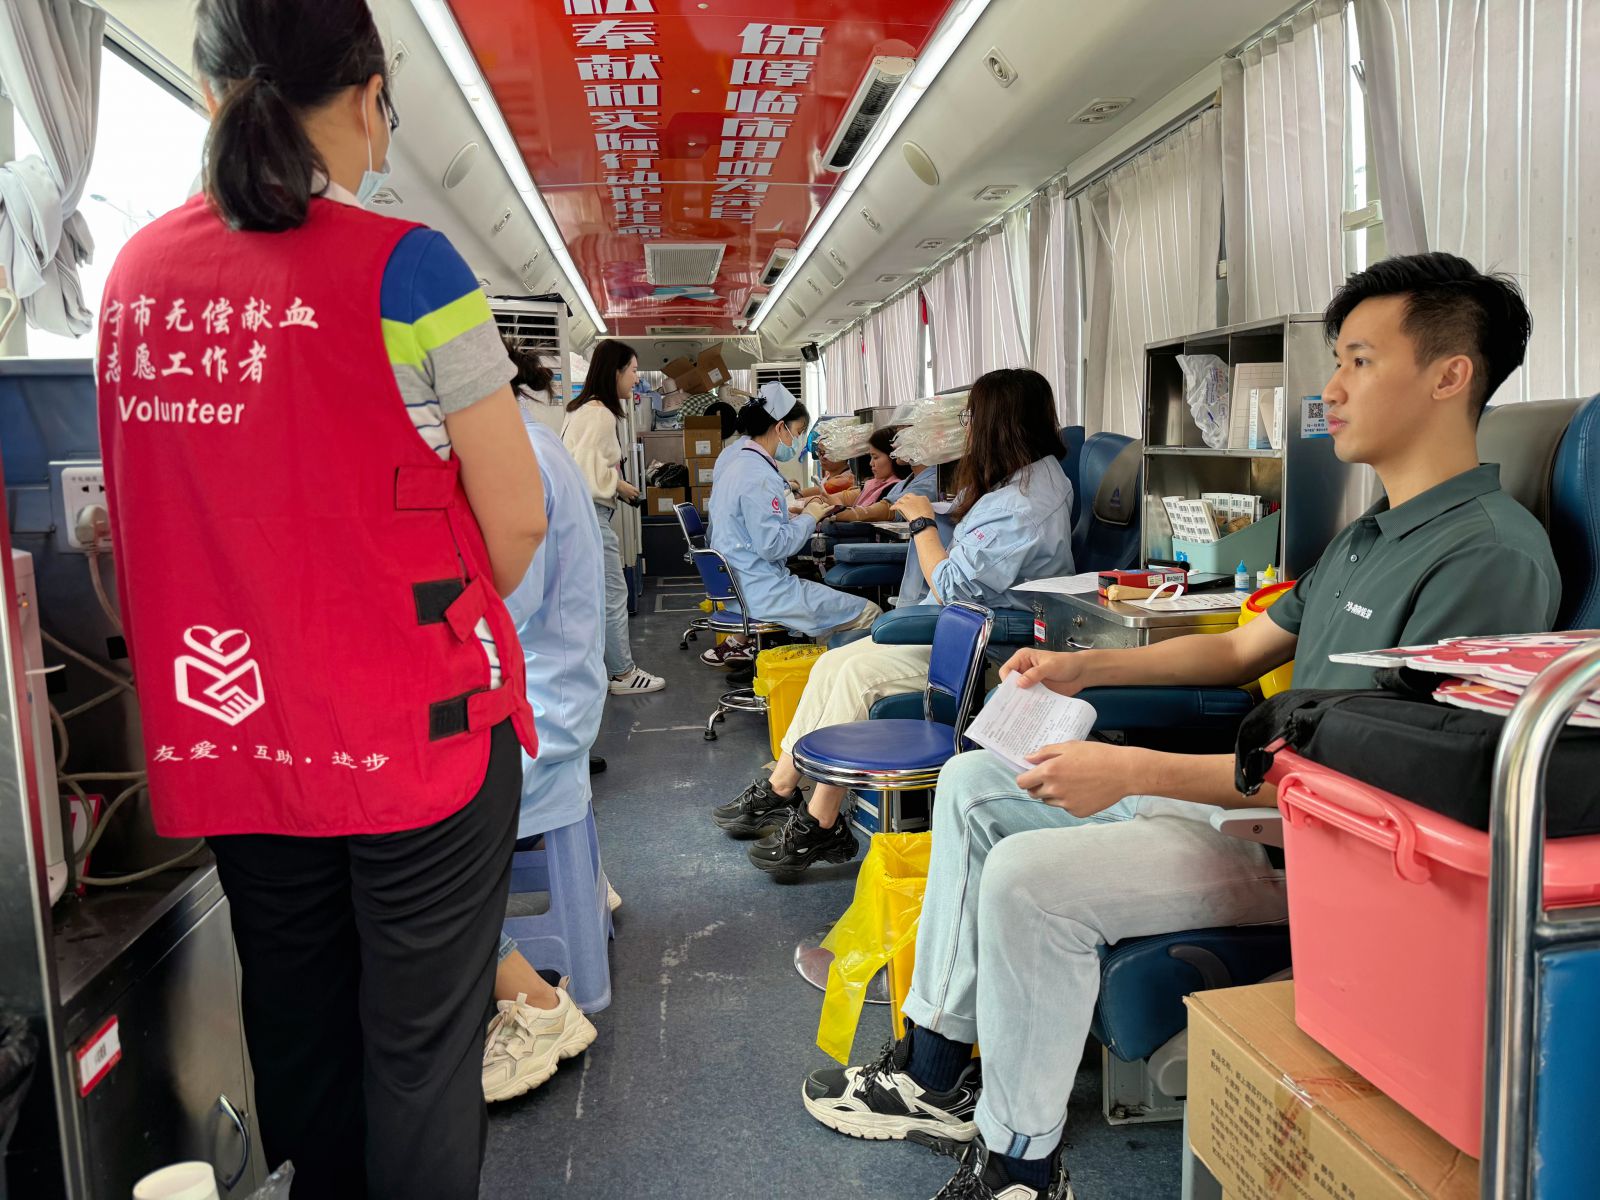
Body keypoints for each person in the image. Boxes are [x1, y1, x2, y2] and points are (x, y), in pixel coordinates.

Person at [799, 253, 1561, 1200]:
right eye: (1336, 361)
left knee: (1032, 882)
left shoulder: (1487, 556)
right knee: (973, 781)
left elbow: (1393, 786)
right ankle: (937, 1070)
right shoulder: (1370, 535)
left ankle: (1019, 1163)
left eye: (1360, 362)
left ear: (1450, 376)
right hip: (1258, 807)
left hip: (1326, 857)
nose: (1330, 390)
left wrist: (1136, 773)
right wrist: (1084, 667)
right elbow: (1239, 650)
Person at [96, 3, 545, 1195]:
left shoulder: (133, 283)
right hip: (415, 738)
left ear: (210, 94)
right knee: (419, 1058)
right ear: (367, 93)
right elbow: (515, 522)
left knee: (301, 1037)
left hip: (238, 733)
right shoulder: (411, 270)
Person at [716, 369, 1076, 866]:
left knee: (856, 673)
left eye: (971, 419)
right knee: (831, 664)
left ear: (999, 424)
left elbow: (950, 585)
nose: (967, 430)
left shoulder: (1023, 503)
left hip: (982, 642)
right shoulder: (1026, 480)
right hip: (959, 623)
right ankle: (784, 784)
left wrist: (923, 521)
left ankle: (820, 819)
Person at [480, 342, 606, 1103]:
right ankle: (588, 886)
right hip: (559, 694)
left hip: (543, 715)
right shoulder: (536, 442)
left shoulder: (513, 462)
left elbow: (499, 612)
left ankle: (534, 1004)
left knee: (405, 847)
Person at [707, 383, 880, 646]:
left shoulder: (737, 463)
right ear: (780, 428)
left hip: (740, 587)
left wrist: (791, 518)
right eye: (798, 432)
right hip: (764, 592)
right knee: (871, 614)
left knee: (828, 622)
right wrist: (809, 517)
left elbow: (748, 526)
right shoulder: (760, 475)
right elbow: (773, 546)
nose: (797, 442)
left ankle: (820, 663)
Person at [563, 338, 665, 695]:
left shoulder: (582, 410)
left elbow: (580, 464)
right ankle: (623, 674)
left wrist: (618, 484)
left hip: (580, 514)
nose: (637, 378)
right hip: (592, 514)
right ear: (616, 371)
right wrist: (616, 485)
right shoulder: (601, 414)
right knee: (612, 593)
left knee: (597, 595)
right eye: (633, 370)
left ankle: (604, 670)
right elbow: (586, 474)